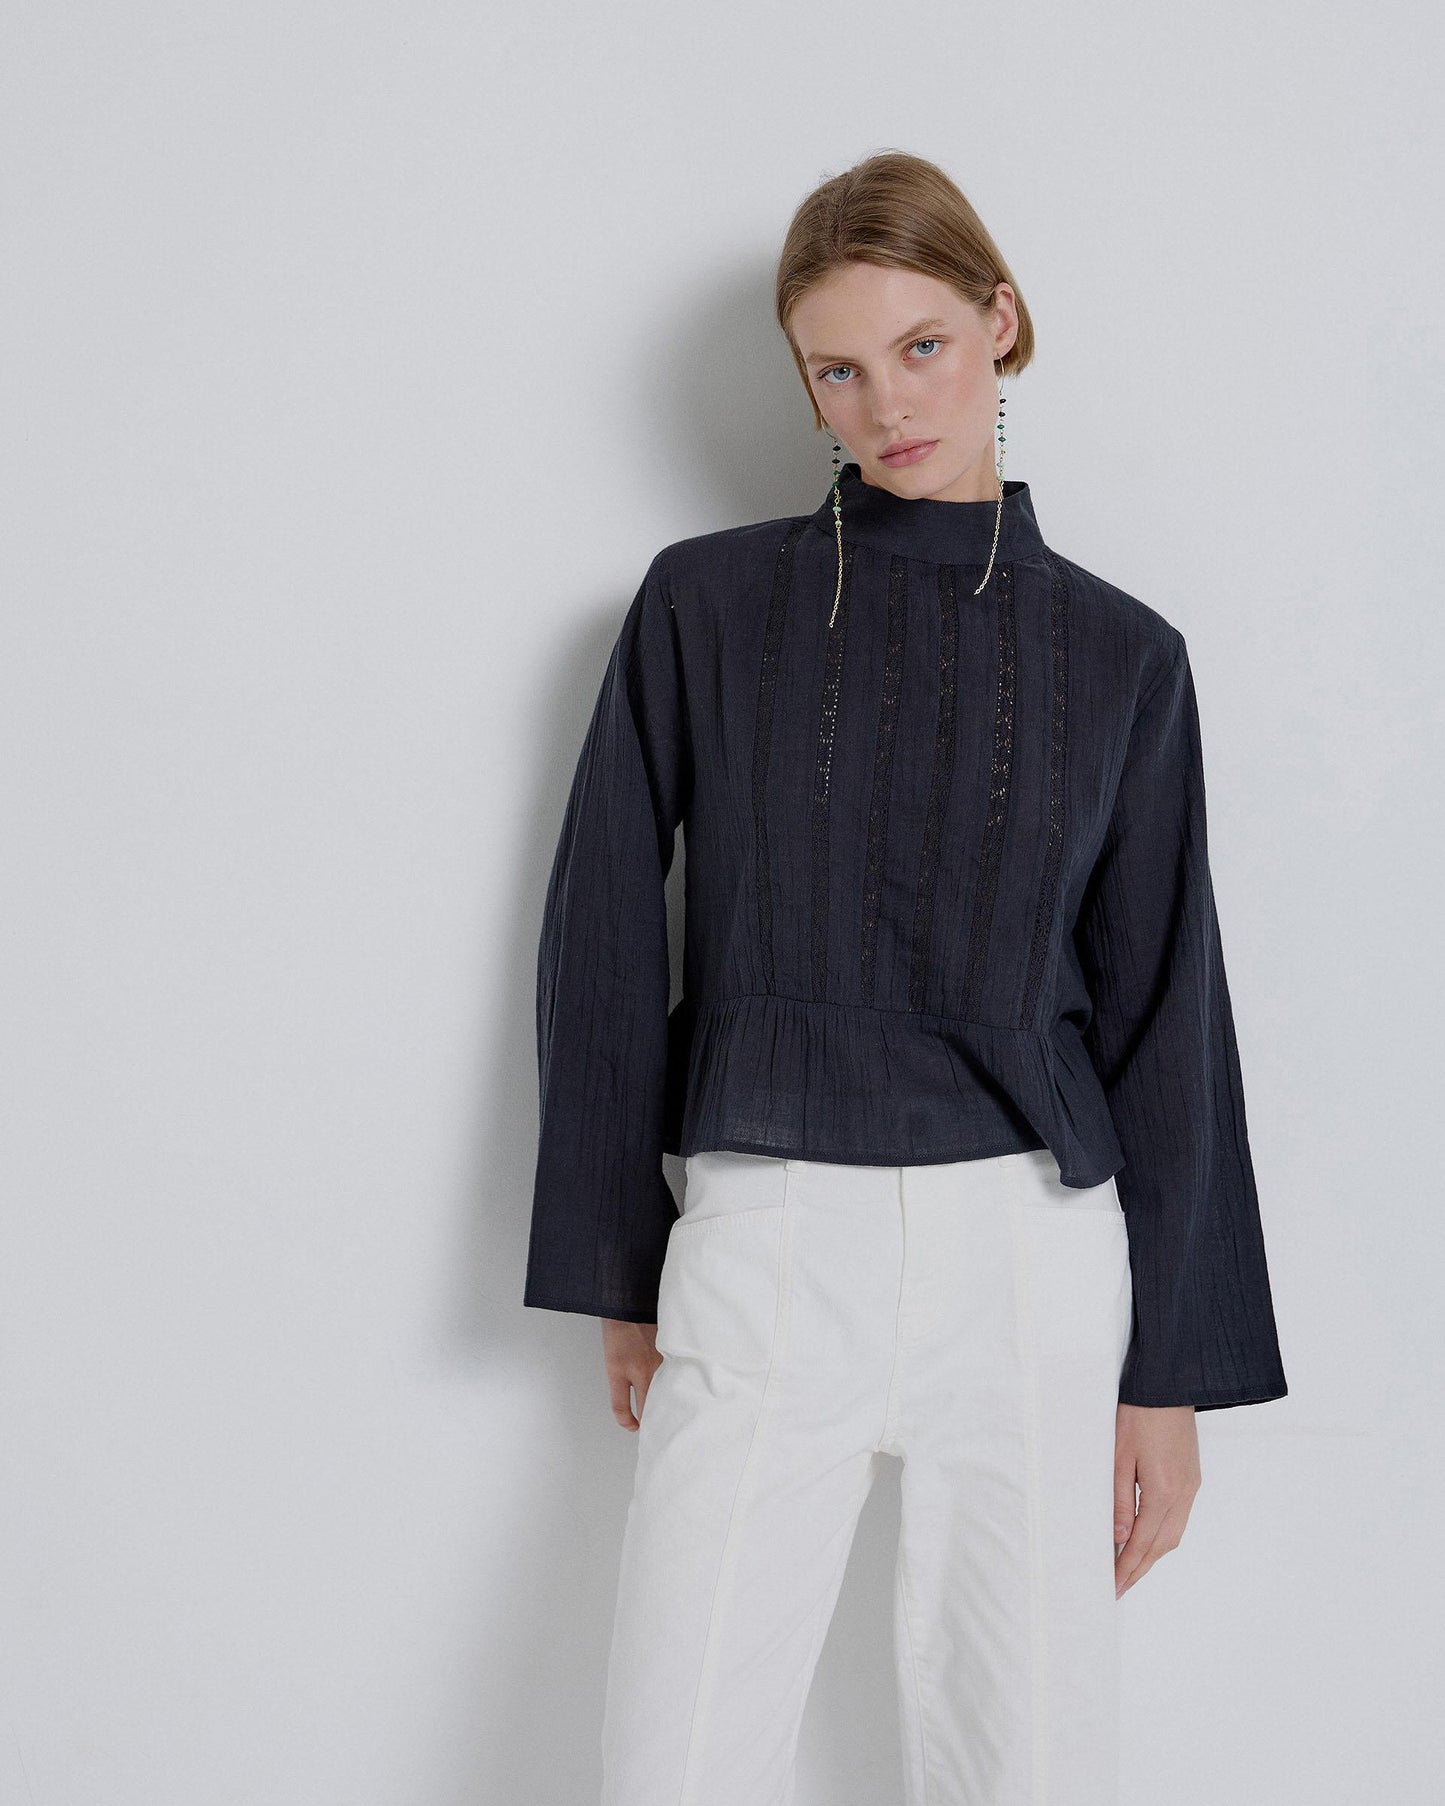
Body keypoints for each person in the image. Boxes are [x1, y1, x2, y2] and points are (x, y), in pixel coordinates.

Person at [523, 149, 1288, 1806]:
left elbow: (1168, 1011)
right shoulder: (705, 604)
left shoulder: (1124, 655)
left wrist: (1169, 1376)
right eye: (838, 370)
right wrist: (619, 1261)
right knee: (672, 1760)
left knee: (1026, 1765)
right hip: (766, 1237)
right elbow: (601, 935)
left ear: (999, 322)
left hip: (1025, 1257)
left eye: (921, 345)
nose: (885, 404)